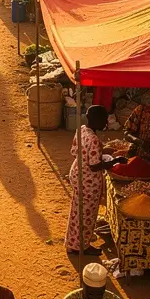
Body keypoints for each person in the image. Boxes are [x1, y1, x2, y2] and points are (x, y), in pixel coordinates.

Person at [65, 106, 127, 256]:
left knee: (77, 212)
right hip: (88, 181)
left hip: (77, 173)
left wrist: (103, 150)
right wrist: (115, 161)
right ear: (96, 119)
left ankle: (72, 242)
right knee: (86, 215)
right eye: (104, 120)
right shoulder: (92, 138)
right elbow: (94, 166)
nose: (106, 123)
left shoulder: (82, 130)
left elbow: (75, 151)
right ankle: (82, 247)